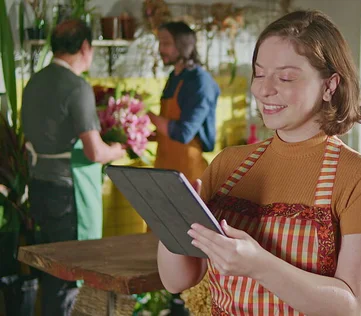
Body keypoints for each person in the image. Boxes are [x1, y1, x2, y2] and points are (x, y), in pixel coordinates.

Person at [157, 10, 361, 315]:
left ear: (330, 86)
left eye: (285, 77)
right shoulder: (228, 166)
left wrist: (259, 265)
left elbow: (351, 307)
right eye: (259, 73)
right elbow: (177, 279)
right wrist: (170, 219)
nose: (263, 89)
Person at [21, 19, 126, 315]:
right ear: (84, 47)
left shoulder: (34, 81)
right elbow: (93, 151)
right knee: (70, 278)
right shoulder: (77, 87)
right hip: (67, 194)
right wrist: (116, 150)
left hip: (38, 187)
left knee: (52, 274)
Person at [149, 21, 220, 183]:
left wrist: (145, 113)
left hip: (188, 176)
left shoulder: (199, 81)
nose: (161, 49)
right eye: (160, 43)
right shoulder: (174, 77)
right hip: (163, 170)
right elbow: (167, 128)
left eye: (166, 43)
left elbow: (183, 133)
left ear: (183, 45)